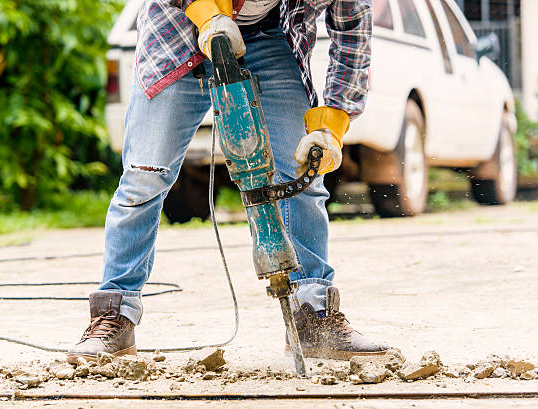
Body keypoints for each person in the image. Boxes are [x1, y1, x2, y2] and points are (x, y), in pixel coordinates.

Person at [67, 0, 388, 363]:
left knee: (303, 176)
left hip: (266, 38)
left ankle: (313, 316)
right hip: (179, 33)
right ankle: (114, 315)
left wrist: (330, 126)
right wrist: (206, 13)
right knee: (145, 177)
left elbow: (352, 37)